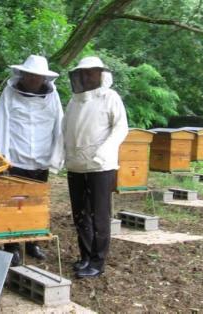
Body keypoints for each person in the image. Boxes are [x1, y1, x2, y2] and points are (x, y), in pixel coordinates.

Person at [0, 55, 64, 266]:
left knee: (36, 203)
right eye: (30, 75)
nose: (33, 79)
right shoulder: (9, 93)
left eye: (38, 76)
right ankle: (12, 246)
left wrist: (56, 157)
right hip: (16, 157)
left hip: (41, 159)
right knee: (14, 203)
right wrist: (1, 159)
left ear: (44, 78)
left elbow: (59, 125)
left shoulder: (53, 96)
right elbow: (1, 124)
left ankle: (33, 243)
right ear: (22, 75)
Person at [63, 56, 128, 278]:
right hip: (76, 166)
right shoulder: (74, 101)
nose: (87, 76)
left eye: (92, 72)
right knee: (80, 214)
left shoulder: (111, 98)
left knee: (99, 215)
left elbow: (121, 128)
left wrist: (104, 153)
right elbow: (65, 131)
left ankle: (98, 263)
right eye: (84, 72)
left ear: (101, 74)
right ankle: (85, 256)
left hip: (101, 166)